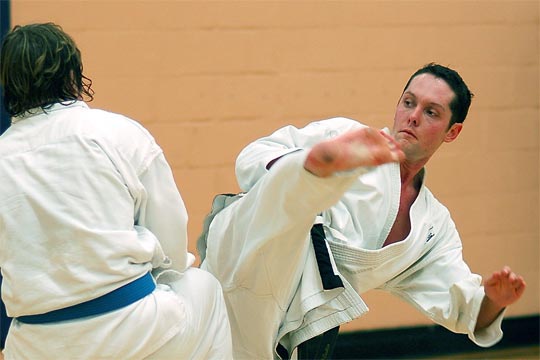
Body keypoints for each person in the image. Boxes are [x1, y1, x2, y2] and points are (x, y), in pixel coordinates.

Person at [199, 63, 526, 359]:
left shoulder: (432, 226)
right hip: (250, 249)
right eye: (409, 102)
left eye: (431, 112)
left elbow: (462, 308)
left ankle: (309, 178)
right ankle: (310, 173)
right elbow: (254, 155)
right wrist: (313, 167)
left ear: (451, 131)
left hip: (295, 320)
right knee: (286, 206)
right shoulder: (347, 135)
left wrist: (495, 300)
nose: (412, 116)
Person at [0, 23, 232, 359]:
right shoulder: (114, 132)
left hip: (35, 346)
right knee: (202, 286)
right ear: (72, 74)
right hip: (134, 330)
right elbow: (171, 241)